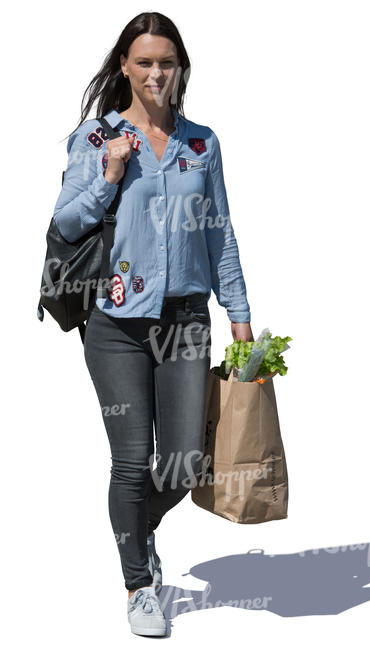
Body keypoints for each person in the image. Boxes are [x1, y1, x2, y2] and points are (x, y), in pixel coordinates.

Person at [53, 11, 253, 637]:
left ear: (180, 67)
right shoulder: (95, 139)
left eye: (166, 62)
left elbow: (219, 232)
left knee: (187, 462)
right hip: (114, 324)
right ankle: (139, 584)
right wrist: (109, 177)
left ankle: (136, 532)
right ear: (124, 67)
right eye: (144, 62)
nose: (156, 73)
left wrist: (240, 316)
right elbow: (65, 224)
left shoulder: (202, 144)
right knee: (133, 462)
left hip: (188, 321)